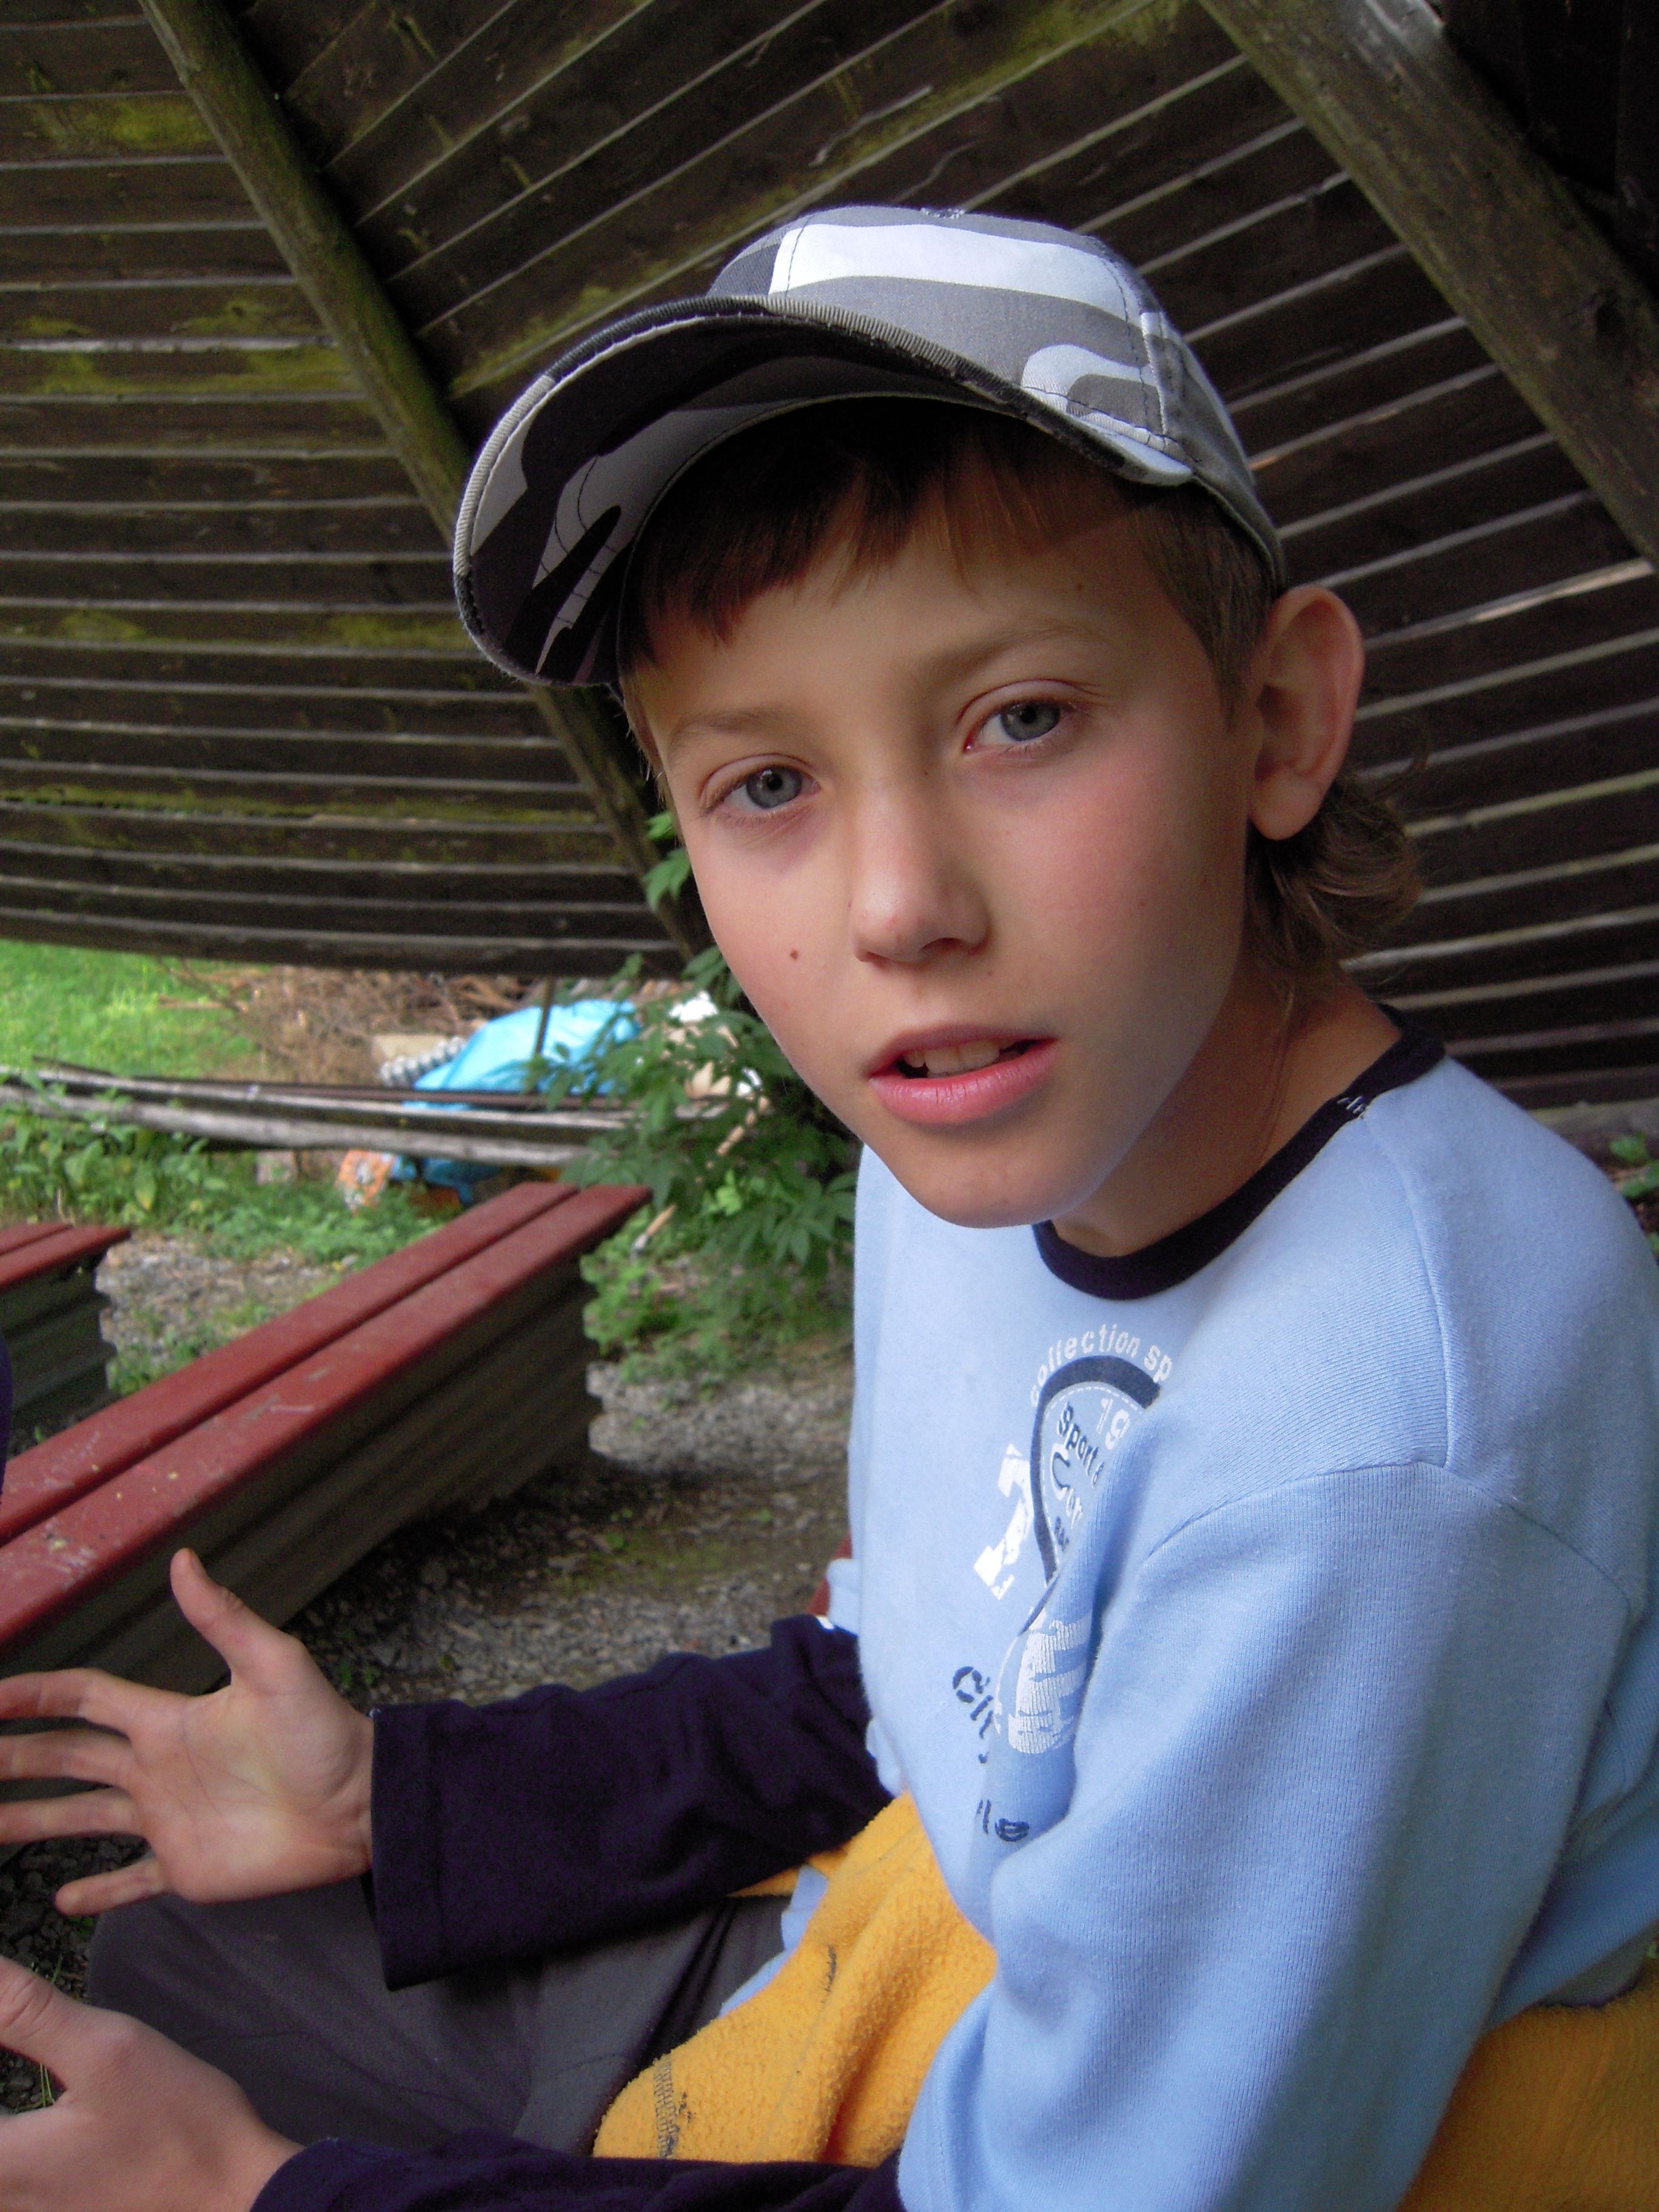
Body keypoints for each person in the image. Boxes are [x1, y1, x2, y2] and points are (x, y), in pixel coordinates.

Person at [0, 204, 1655, 2212]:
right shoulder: (966, 1135)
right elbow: (903, 1682)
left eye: (1021, 718)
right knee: (191, 1958)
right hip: (934, 1937)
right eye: (767, 784)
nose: (897, 910)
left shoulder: (1384, 1443)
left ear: (1278, 721)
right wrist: (400, 1802)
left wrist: (264, 2196)